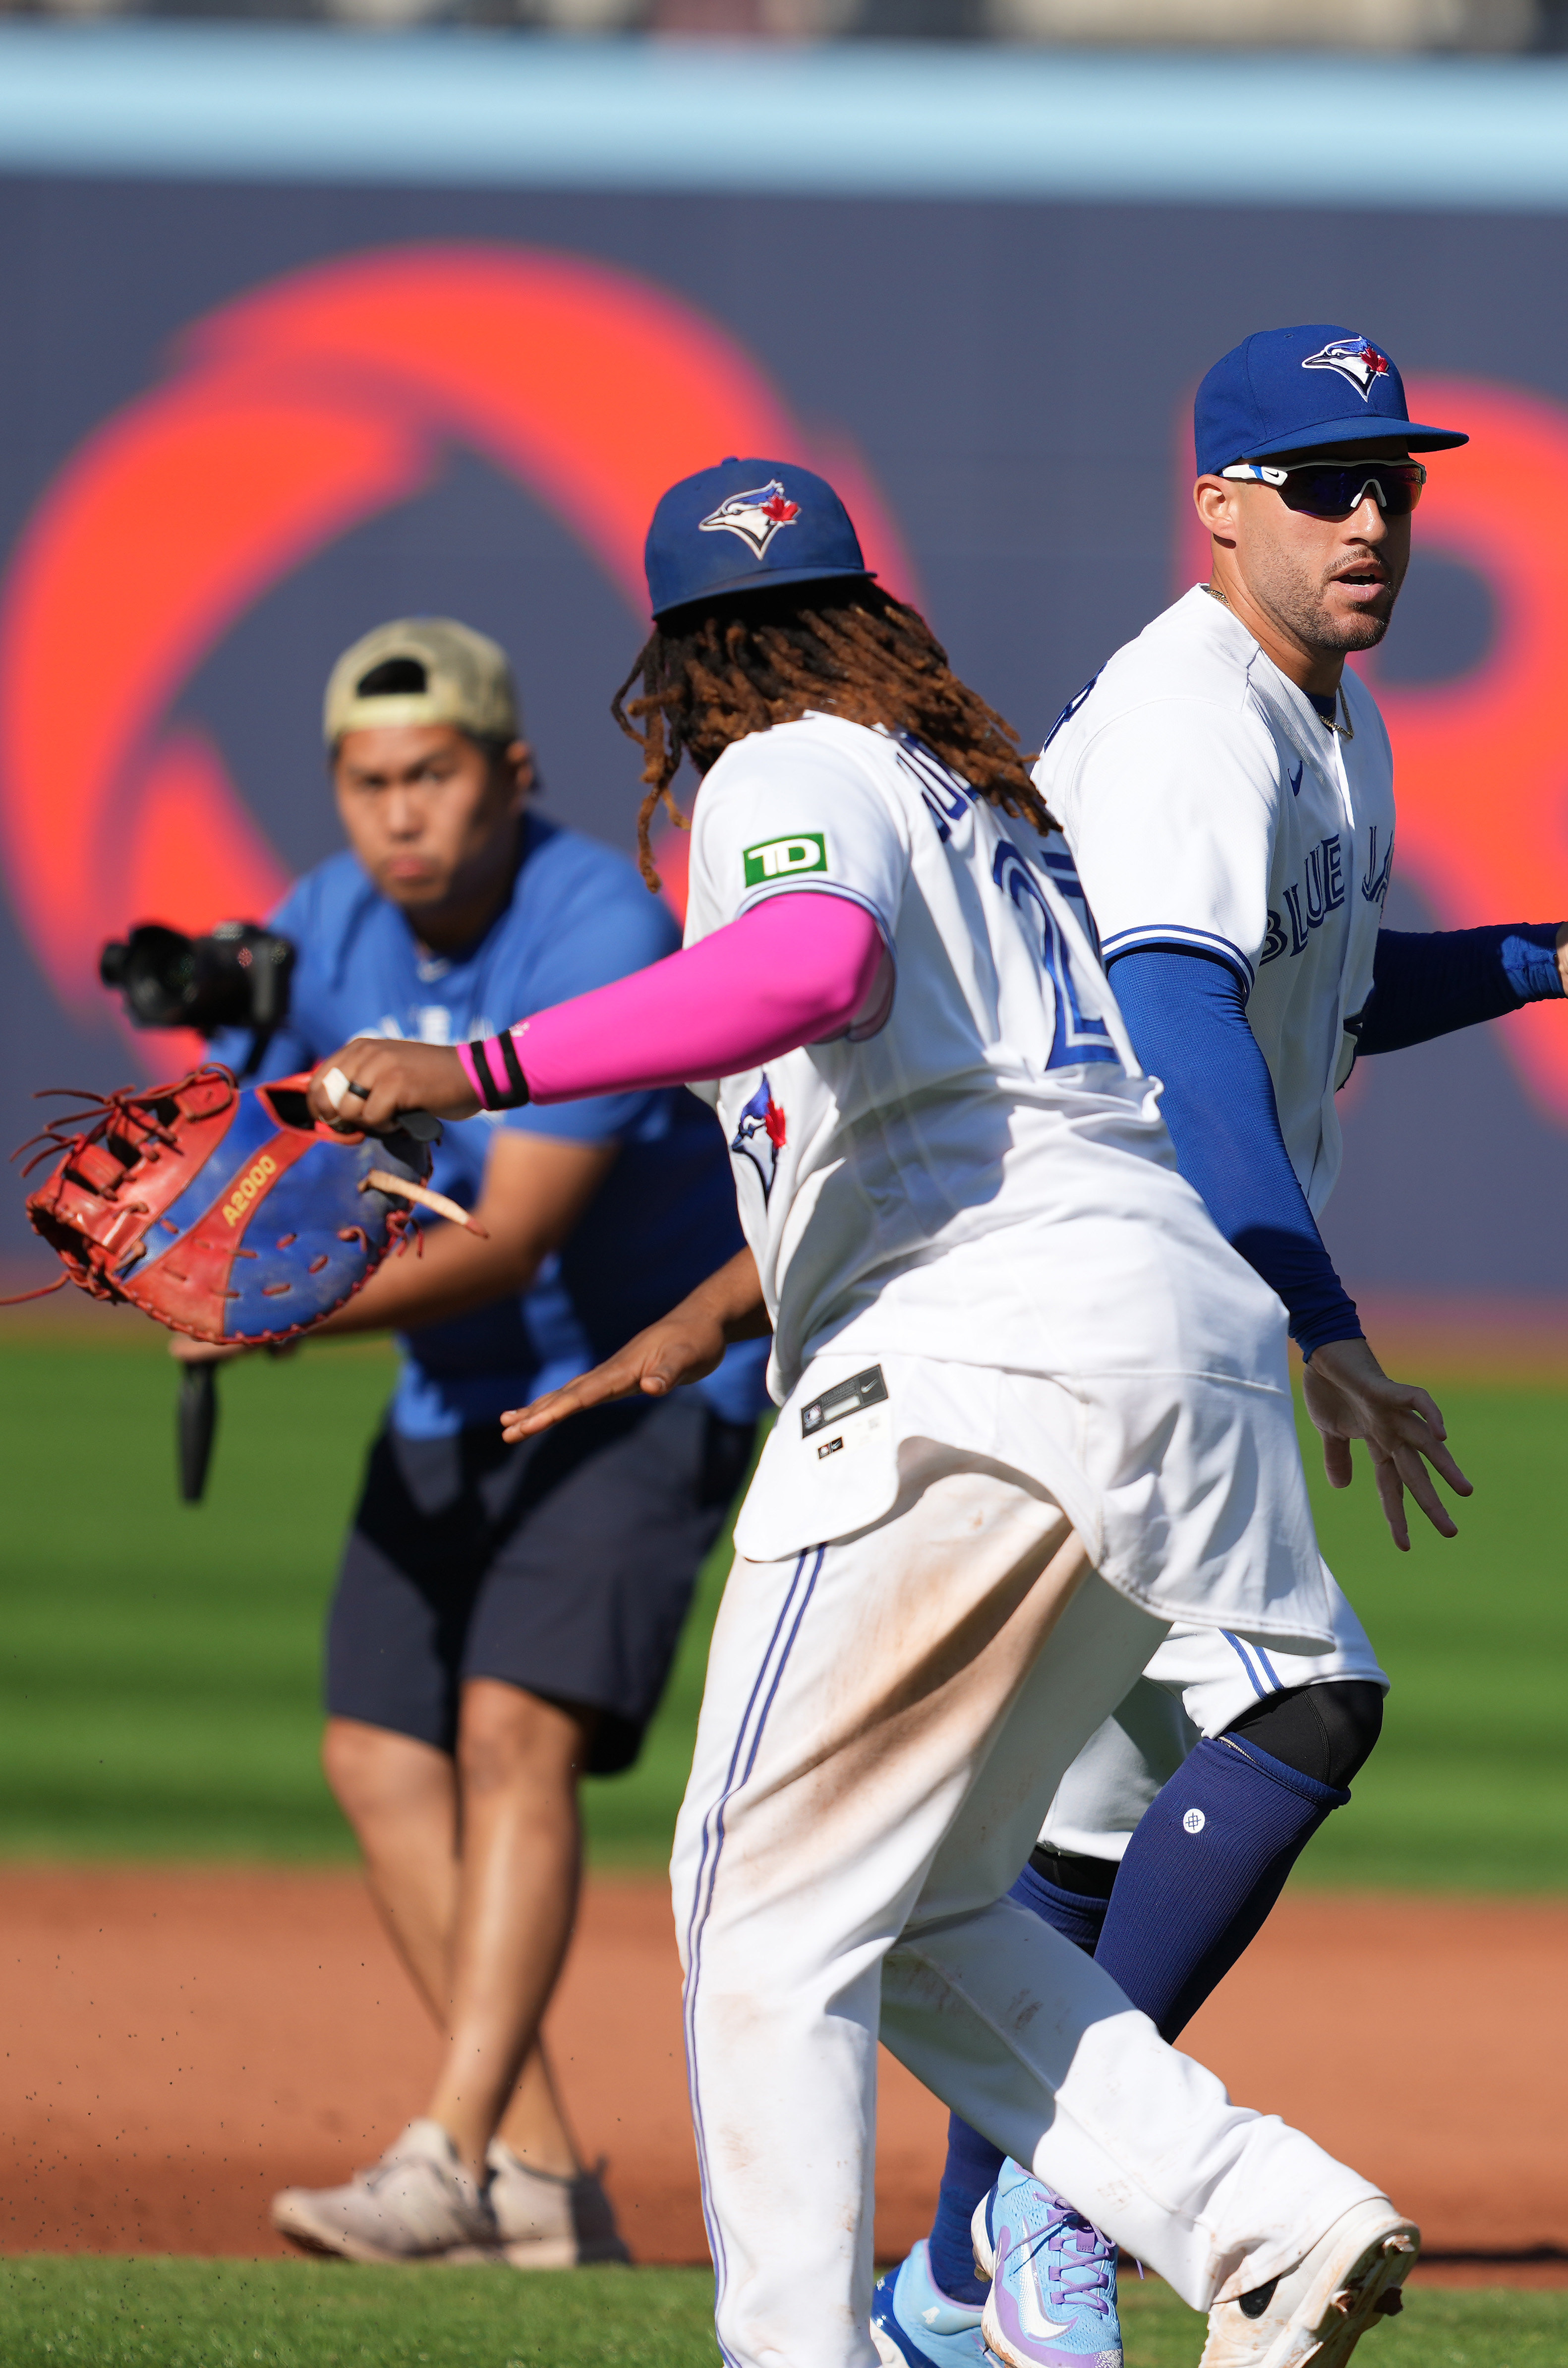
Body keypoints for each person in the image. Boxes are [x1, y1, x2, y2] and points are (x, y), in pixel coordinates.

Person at [314, 458, 1419, 2368]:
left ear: (679, 662)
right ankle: (1262, 2217)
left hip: (973, 1371)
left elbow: (806, 965)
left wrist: (474, 1062)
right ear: (870, 611)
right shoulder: (982, 800)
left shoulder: (786, 771)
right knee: (899, 1899)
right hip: (1172, 1339)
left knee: (755, 1906)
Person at [873, 323, 1568, 2368]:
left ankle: (948, 2287)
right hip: (1104, 1286)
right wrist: (1321, 1323)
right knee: (1304, 1704)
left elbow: (1324, 983)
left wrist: (1556, 958)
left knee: (1083, 1824)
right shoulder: (1192, 713)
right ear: (1217, 506)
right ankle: (1058, 2189)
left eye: (1393, 477)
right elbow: (1184, 1022)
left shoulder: (1323, 719)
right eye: (1322, 481)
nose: (1372, 514)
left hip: (1116, 1291)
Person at [197, 617, 763, 2270]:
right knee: (376, 1752)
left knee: (514, 1730)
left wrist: (264, 1312)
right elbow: (259, 1148)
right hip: (452, 1395)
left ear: (511, 774)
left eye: (432, 775)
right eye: (367, 783)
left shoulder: (592, 919)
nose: (398, 816)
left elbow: (512, 1238)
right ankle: (535, 2179)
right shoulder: (324, 921)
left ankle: (446, 2154)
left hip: (635, 1384)